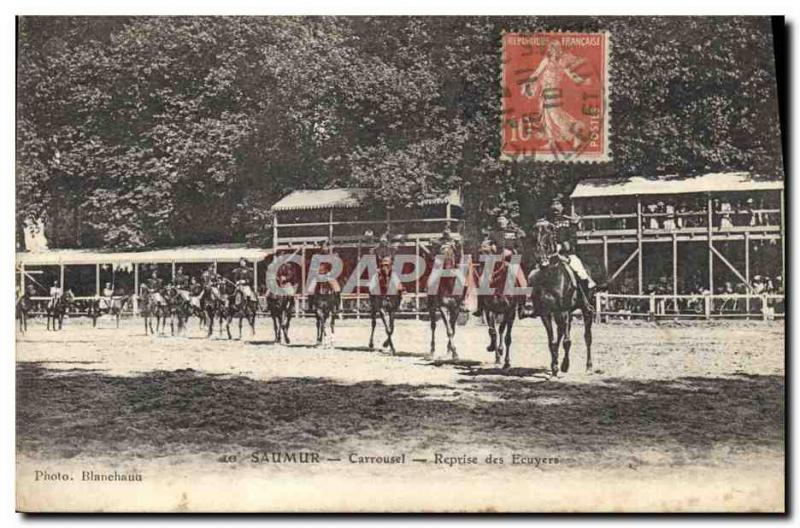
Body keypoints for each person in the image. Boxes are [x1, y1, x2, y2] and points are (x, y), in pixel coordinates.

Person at [529, 196, 596, 313]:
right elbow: (539, 239)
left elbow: (573, 238)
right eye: (553, 205)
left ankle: (585, 302)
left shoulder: (569, 221)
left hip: (567, 254)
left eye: (558, 204)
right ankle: (535, 306)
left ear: (562, 207)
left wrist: (563, 246)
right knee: (533, 276)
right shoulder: (545, 222)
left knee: (582, 273)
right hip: (549, 256)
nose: (555, 207)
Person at [309, 239, 342, 312]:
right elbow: (313, 266)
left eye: (326, 247)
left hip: (329, 276)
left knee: (337, 289)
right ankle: (310, 307)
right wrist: (316, 272)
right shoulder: (316, 256)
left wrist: (330, 273)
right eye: (323, 247)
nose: (324, 248)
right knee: (310, 289)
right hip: (318, 276)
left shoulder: (334, 256)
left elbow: (337, 267)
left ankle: (337, 306)